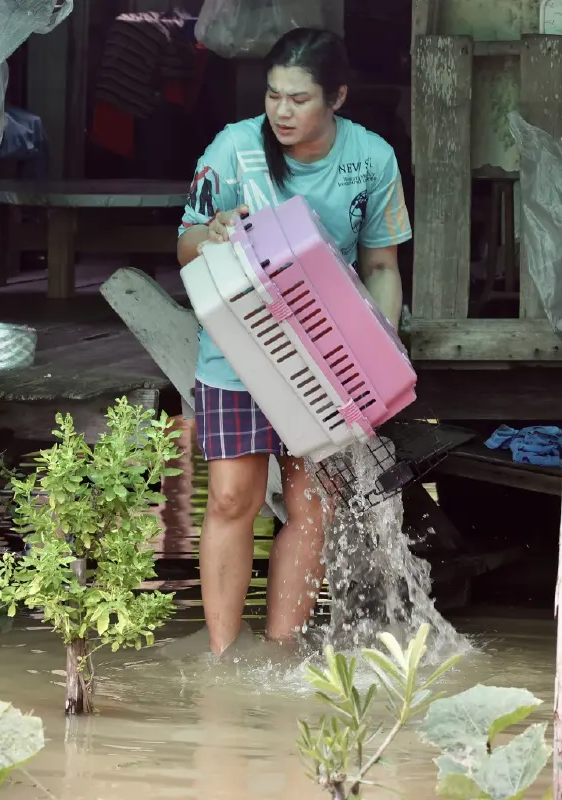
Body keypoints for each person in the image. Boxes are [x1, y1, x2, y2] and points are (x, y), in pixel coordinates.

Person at [176, 27, 413, 656]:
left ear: (337, 97)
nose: (281, 111)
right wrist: (213, 231)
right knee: (233, 498)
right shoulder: (233, 149)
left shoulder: (372, 159)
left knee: (313, 505)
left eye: (299, 99)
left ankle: (280, 653)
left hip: (327, 355)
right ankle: (223, 658)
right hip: (236, 352)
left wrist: (380, 352)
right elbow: (185, 246)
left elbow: (381, 265)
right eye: (273, 95)